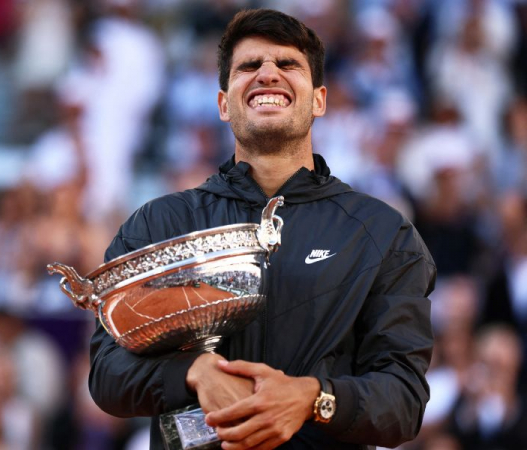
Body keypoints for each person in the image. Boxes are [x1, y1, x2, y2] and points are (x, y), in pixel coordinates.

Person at [88, 8, 435, 450]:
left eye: (288, 65)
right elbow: (106, 372)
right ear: (222, 104)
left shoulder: (382, 233)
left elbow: (404, 401)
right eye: (249, 66)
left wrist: (315, 397)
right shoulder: (159, 223)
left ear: (319, 100)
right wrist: (192, 372)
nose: (268, 74)